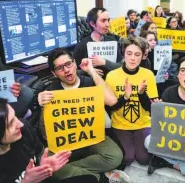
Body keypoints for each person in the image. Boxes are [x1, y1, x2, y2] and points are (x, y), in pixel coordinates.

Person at [36, 48, 129, 182]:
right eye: (60, 68)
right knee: (49, 168)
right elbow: (45, 134)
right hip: (65, 143)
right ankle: (99, 177)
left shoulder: (89, 82)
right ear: (54, 73)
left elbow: (112, 101)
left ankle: (82, 174)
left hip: (91, 139)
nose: (66, 70)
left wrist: (91, 71)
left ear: (75, 63)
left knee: (115, 156)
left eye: (68, 64)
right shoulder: (50, 92)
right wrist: (43, 107)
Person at [0, 98, 82, 183]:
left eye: (15, 117)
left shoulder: (24, 130)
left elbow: (38, 152)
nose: (20, 124)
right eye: (10, 124)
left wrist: (43, 166)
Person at [106, 36, 159, 166]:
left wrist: (141, 94)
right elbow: (110, 108)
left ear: (143, 56)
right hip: (120, 125)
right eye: (129, 53)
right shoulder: (112, 76)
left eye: (137, 54)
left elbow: (150, 109)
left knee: (144, 159)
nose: (133, 58)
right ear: (124, 53)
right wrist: (125, 97)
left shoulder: (148, 75)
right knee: (127, 158)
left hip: (143, 123)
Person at [72, 7, 122, 76]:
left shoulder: (112, 41)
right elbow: (74, 72)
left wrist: (104, 62)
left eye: (108, 20)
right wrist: (88, 71)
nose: (108, 24)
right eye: (103, 21)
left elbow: (121, 66)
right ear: (92, 24)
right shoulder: (81, 46)